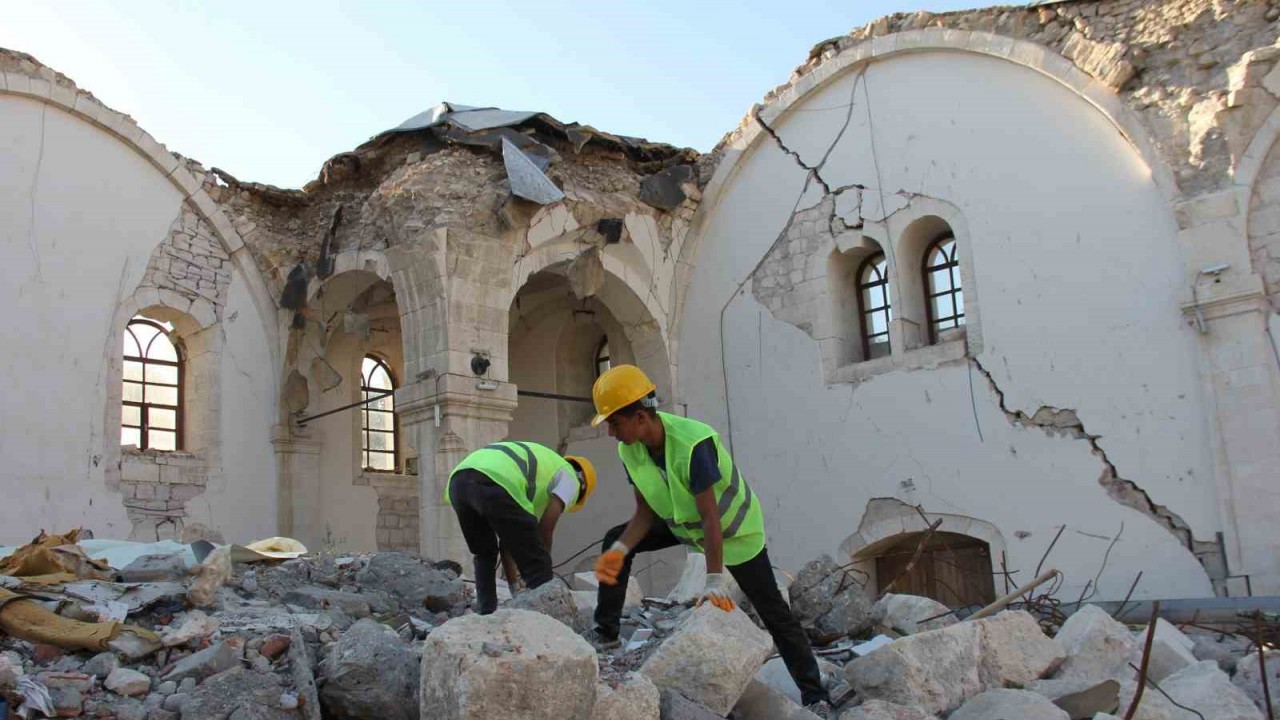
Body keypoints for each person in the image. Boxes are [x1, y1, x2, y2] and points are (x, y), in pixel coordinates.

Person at [586, 365, 833, 716]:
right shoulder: (631, 450)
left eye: (614, 423)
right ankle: (606, 634)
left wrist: (714, 580)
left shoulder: (694, 444)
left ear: (640, 417)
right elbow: (643, 513)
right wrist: (621, 550)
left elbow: (710, 517)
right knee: (614, 539)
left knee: (774, 612)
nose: (611, 433)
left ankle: (815, 694)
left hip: (734, 533)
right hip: (682, 524)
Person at [446, 441, 596, 614]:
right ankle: (546, 622)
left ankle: (486, 612)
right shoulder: (571, 477)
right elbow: (547, 525)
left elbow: (509, 541)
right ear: (582, 485)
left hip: (458, 483)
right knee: (539, 564)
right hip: (496, 479)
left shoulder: (543, 472)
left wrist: (514, 587)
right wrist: (541, 566)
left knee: (484, 553)